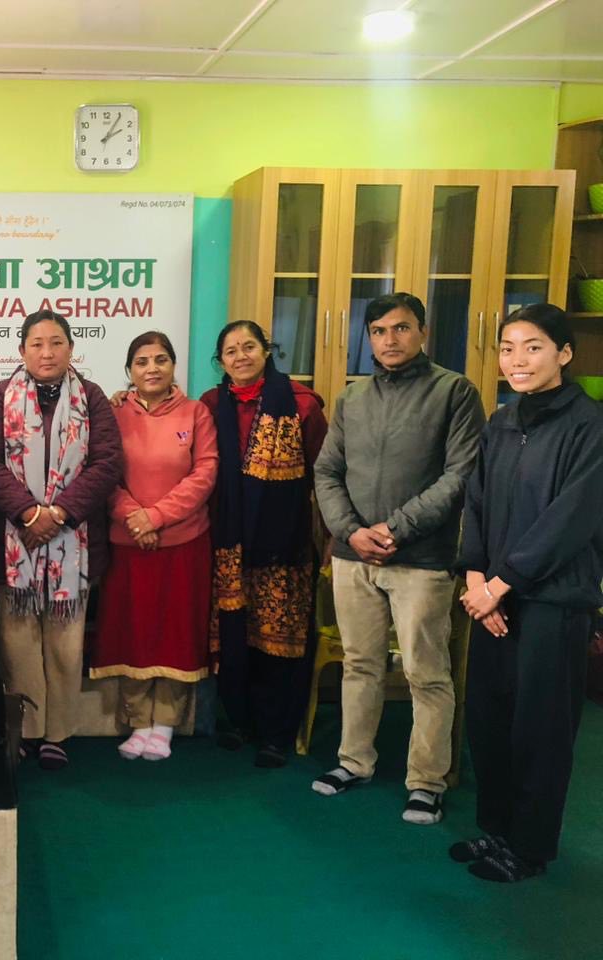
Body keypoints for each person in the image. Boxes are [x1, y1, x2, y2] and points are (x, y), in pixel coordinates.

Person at [312, 292, 485, 825]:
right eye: (379, 331)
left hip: (423, 559)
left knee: (424, 673)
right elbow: (326, 471)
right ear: (369, 338)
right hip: (354, 556)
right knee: (360, 665)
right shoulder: (352, 397)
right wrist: (351, 531)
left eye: (401, 328)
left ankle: (426, 781)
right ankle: (354, 762)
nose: (390, 340)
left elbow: (460, 475)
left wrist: (395, 528)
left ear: (423, 332)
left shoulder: (454, 391)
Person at [453, 304, 603, 883]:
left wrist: (500, 584)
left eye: (533, 346)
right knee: (490, 719)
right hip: (493, 596)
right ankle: (497, 829)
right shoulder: (502, 421)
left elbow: (570, 520)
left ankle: (530, 847)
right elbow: (476, 501)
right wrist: (475, 578)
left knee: (540, 729)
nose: (517, 360)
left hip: (552, 602)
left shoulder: (588, 426)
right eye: (508, 347)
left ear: (564, 353)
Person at [0, 309, 123, 771]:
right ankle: (27, 728)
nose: (47, 352)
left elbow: (107, 462)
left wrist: (58, 514)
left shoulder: (91, 397)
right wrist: (28, 512)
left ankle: (58, 732)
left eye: (56, 342)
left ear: (71, 348)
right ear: (21, 350)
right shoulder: (0, 396)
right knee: (17, 646)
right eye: (37, 343)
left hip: (73, 545)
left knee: (65, 646)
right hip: (14, 542)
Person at [198, 321, 328, 768]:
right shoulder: (210, 405)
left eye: (249, 347)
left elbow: (324, 475)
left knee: (279, 639)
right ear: (220, 361)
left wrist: (330, 536)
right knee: (235, 634)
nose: (241, 357)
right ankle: (240, 722)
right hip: (228, 541)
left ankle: (276, 733)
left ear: (267, 351)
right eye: (230, 351)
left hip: (284, 544)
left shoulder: (302, 404)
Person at [92, 332, 217, 761]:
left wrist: (157, 517)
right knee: (133, 631)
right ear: (129, 370)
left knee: (175, 632)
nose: (152, 368)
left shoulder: (196, 412)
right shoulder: (112, 414)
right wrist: (135, 517)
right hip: (128, 544)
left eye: (161, 359)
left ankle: (164, 724)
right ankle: (137, 721)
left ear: (173, 366)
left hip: (183, 543)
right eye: (142, 361)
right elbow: (103, 473)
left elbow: (204, 474)